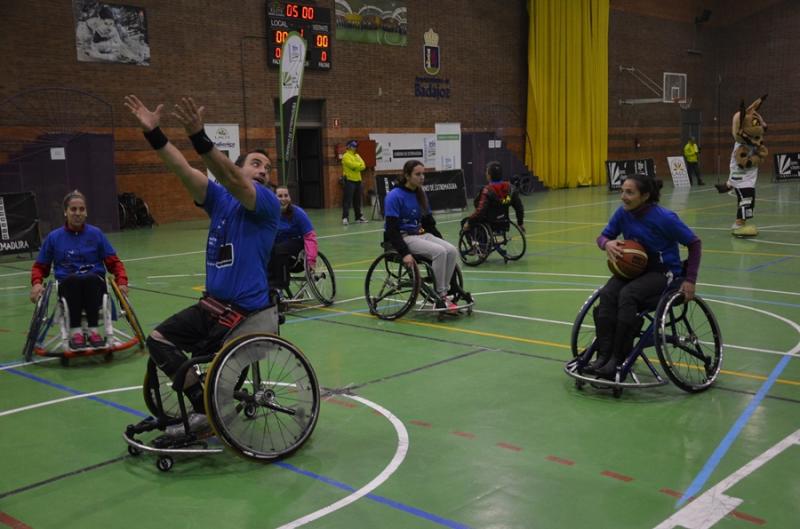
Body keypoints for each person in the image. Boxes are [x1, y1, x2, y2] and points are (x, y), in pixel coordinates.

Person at [124, 94, 280, 434]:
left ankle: (207, 407)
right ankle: (202, 405)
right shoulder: (220, 199)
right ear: (239, 166)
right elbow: (181, 168)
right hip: (212, 306)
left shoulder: (266, 204)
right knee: (158, 339)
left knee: (207, 362)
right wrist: (155, 134)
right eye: (256, 164)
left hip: (246, 312)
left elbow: (235, 180)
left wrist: (199, 136)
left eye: (267, 168)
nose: (264, 171)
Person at [583, 174, 701, 379]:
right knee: (608, 293)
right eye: (622, 191)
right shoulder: (622, 213)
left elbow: (694, 243)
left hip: (664, 272)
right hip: (636, 270)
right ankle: (603, 355)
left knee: (628, 294)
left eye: (629, 192)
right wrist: (607, 243)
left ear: (645, 196)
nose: (623, 196)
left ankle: (617, 359)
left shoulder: (665, 218)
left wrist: (690, 280)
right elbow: (602, 237)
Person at [29, 190, 129, 350]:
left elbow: (114, 263)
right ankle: (76, 332)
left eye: (81, 209)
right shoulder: (54, 238)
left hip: (95, 286)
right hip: (68, 287)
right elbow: (40, 267)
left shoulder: (96, 234)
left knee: (89, 278)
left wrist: (122, 281)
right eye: (73, 209)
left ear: (86, 212)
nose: (77, 213)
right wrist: (36, 283)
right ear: (65, 212)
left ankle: (93, 331)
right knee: (74, 279)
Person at [384, 159, 460, 312]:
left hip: (420, 234)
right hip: (403, 237)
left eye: (423, 174)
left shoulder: (420, 194)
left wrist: (440, 240)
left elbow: (429, 224)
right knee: (439, 252)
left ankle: (447, 290)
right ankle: (441, 295)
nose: (422, 177)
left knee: (451, 250)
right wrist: (404, 253)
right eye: (417, 174)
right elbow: (391, 230)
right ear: (407, 176)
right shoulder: (394, 196)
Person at [714, 95, 768, 237]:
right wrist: (758, 157)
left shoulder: (750, 142)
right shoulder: (741, 146)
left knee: (748, 198)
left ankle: (729, 185)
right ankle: (738, 225)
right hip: (742, 178)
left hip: (745, 178)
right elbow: (744, 163)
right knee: (746, 200)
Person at [269, 185, 318, 293]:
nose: (283, 198)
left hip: (297, 250)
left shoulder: (298, 213)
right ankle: (269, 287)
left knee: (279, 248)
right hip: (279, 252)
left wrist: (311, 260)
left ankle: (280, 285)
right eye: (280, 196)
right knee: (269, 250)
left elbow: (310, 237)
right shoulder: (271, 214)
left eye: (286, 195)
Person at [462, 161, 525, 233]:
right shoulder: (510, 188)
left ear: (489, 175)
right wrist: (520, 223)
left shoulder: (487, 190)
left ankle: (476, 242)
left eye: (486, 172)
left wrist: (469, 222)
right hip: (504, 222)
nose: (485, 173)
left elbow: (480, 211)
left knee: (465, 222)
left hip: (490, 223)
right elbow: (519, 208)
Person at [341, 139, 367, 225]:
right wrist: (357, 166)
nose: (355, 148)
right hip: (349, 181)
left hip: (358, 181)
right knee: (347, 201)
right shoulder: (345, 156)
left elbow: (363, 165)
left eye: (355, 146)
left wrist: (357, 167)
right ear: (348, 147)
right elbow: (351, 165)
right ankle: (345, 218)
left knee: (357, 200)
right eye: (353, 146)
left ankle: (358, 217)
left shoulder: (357, 156)